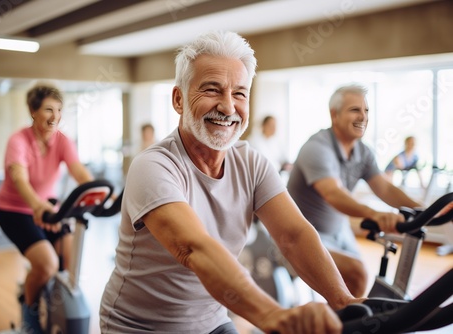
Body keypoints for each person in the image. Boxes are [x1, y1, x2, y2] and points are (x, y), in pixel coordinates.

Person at [100, 31, 361, 334]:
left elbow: (293, 234)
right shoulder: (153, 166)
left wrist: (343, 302)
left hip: (212, 323)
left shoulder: (251, 162)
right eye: (212, 90)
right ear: (178, 99)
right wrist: (271, 315)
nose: (227, 107)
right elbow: (195, 249)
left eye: (239, 93)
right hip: (139, 327)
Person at [287, 84, 422, 298]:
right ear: (334, 114)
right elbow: (333, 193)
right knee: (357, 274)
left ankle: (342, 325)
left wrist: (423, 209)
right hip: (301, 235)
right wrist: (374, 214)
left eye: (366, 110)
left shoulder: (362, 151)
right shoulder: (317, 148)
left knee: (358, 283)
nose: (363, 116)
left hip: (339, 230)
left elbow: (384, 187)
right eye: (354, 110)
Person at [0, 83, 93, 334]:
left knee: (70, 266)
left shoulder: (62, 141)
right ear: (33, 111)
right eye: (49, 109)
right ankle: (29, 320)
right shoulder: (18, 141)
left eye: (59, 110)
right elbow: (19, 178)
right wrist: (37, 207)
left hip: (49, 208)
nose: (55, 117)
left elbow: (78, 170)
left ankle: (49, 304)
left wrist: (101, 192)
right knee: (48, 264)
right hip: (14, 210)